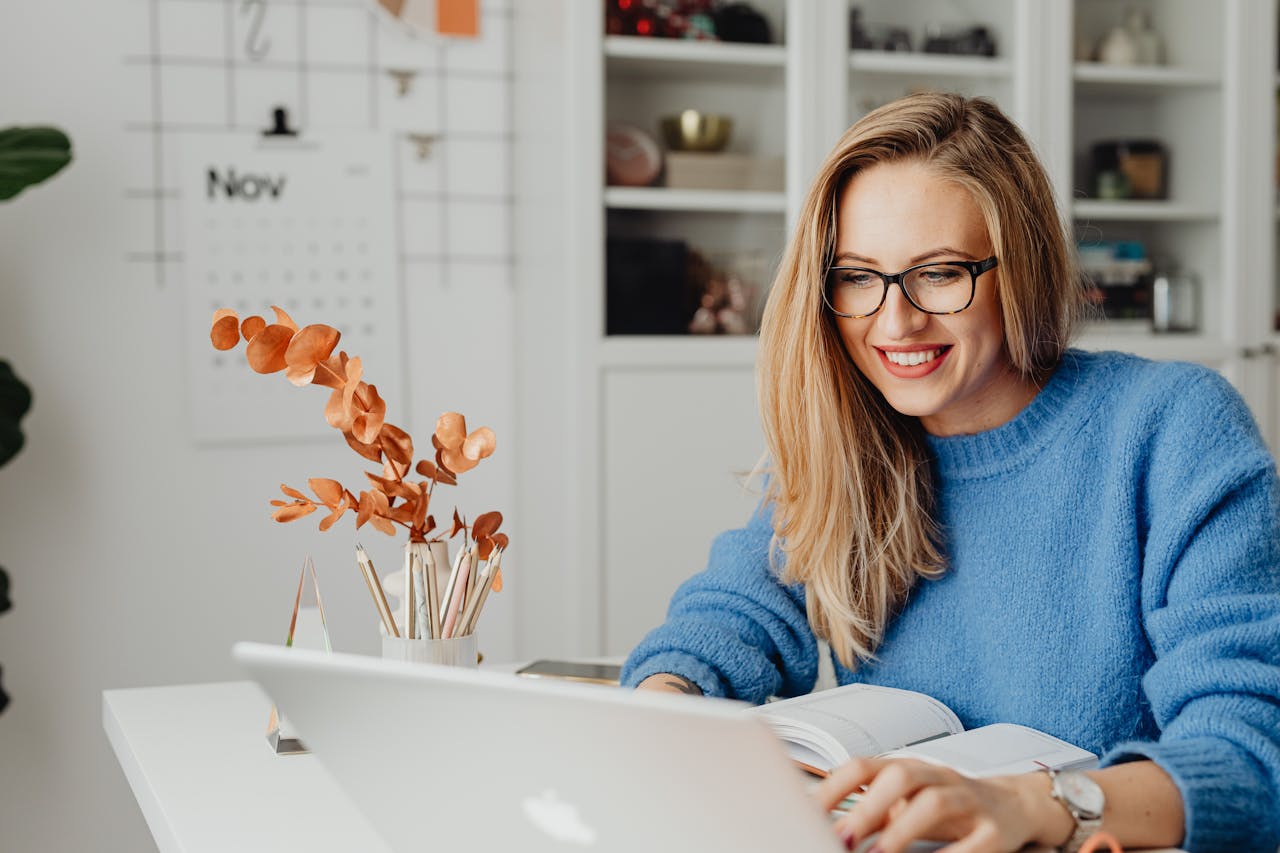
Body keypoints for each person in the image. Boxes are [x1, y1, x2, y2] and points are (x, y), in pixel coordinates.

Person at [620, 92, 1280, 853]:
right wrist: (660, 711)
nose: (894, 322)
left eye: (937, 274)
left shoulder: (1172, 427)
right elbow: (726, 618)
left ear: (1019, 268)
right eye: (859, 277)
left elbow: (1249, 759)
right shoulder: (853, 439)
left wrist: (1036, 805)